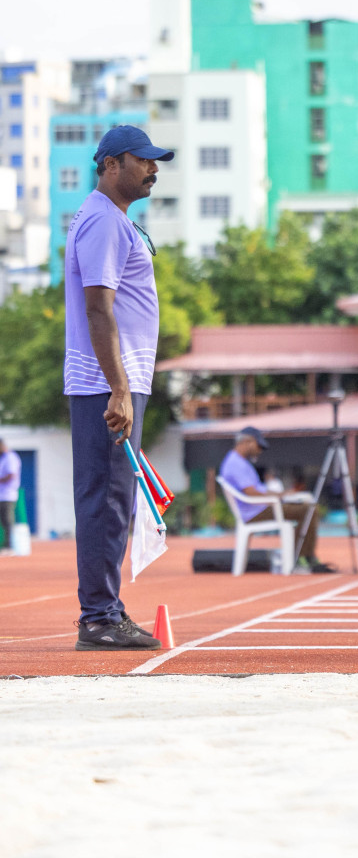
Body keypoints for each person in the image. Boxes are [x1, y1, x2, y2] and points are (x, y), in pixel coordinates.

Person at [65, 127, 173, 650]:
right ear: (111, 164)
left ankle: (103, 610)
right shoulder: (104, 221)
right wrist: (119, 389)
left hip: (115, 381)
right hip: (105, 383)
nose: (154, 170)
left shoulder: (115, 220)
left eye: (157, 162)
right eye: (143, 161)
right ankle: (100, 617)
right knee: (106, 498)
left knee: (113, 495)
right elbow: (97, 307)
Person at [219, 427, 335, 573]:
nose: (259, 451)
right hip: (254, 512)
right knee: (308, 509)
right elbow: (251, 493)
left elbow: (257, 490)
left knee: (305, 507)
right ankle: (303, 557)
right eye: (258, 446)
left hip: (261, 508)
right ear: (247, 441)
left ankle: (301, 555)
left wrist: (283, 495)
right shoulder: (234, 463)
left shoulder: (240, 462)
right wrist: (279, 497)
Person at [0, 438, 19, 555]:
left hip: (8, 495)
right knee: (3, 522)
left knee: (7, 521)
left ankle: (9, 547)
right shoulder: (2, 458)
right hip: (1, 495)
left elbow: (11, 475)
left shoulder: (10, 457)